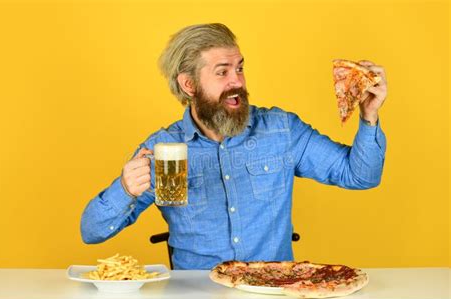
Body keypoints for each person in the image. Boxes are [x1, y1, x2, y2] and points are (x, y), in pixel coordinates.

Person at [81, 23, 387, 270]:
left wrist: (369, 116)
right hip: (197, 294)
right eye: (222, 71)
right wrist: (125, 188)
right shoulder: (165, 150)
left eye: (239, 68)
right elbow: (91, 232)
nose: (236, 81)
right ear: (189, 85)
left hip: (272, 290)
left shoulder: (280, 131)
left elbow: (360, 176)